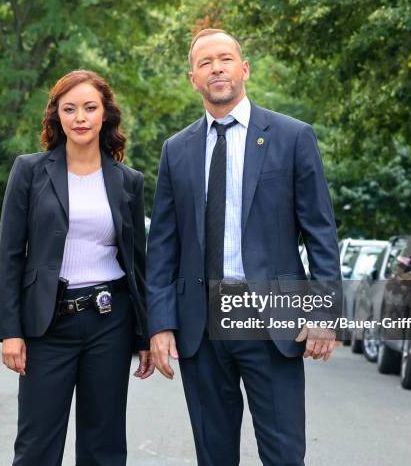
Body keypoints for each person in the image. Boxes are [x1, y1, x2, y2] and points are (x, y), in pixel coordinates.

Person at [146, 29, 341, 466]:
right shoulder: (176, 151)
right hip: (200, 324)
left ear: (244, 69)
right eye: (205, 63)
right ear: (193, 78)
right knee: (213, 456)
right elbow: (162, 245)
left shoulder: (293, 137)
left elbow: (320, 232)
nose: (217, 68)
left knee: (284, 454)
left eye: (226, 59)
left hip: (272, 320)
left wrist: (324, 313)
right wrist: (159, 323)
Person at [0, 69, 154, 466]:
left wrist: (145, 333)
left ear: (105, 115)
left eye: (89, 107)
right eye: (69, 109)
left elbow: (137, 263)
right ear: (57, 117)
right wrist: (11, 331)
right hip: (47, 323)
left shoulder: (127, 181)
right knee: (36, 446)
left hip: (109, 320)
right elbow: (11, 253)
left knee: (105, 444)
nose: (79, 117)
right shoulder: (29, 171)